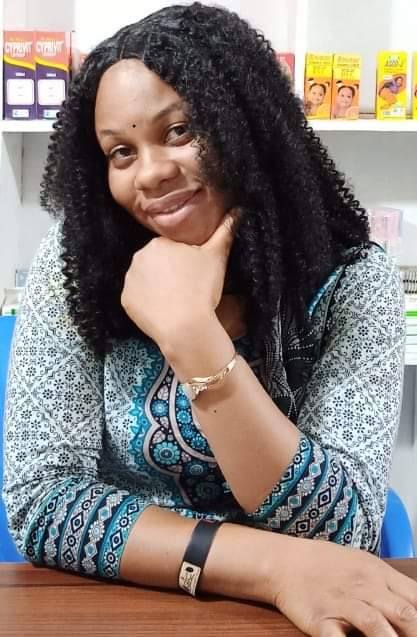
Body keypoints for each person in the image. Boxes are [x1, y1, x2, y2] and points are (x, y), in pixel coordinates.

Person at [3, 3, 416, 635]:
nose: (152, 173)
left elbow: (341, 529)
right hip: (125, 604)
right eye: (121, 152)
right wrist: (272, 568)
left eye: (179, 131)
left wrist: (194, 340)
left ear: (244, 122)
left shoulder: (352, 280)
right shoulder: (78, 264)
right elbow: (43, 503)